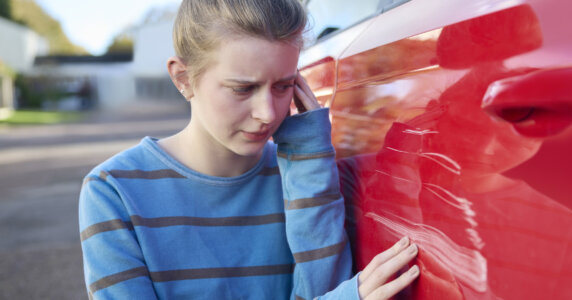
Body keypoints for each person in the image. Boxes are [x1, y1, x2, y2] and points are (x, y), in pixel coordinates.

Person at [78, 0, 419, 299]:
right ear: (183, 78)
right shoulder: (114, 191)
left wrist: (309, 159)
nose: (268, 113)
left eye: (284, 86)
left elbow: (321, 289)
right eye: (243, 89)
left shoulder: (303, 171)